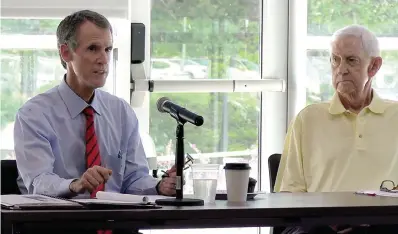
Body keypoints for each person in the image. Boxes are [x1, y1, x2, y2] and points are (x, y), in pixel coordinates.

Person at [14, 9, 176, 199]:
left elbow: (134, 179)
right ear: (66, 52)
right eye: (93, 48)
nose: (104, 60)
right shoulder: (34, 114)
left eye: (107, 49)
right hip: (59, 222)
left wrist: (159, 187)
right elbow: (38, 181)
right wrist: (75, 184)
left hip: (117, 223)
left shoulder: (121, 111)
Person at [275, 25, 398, 233]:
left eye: (351, 60)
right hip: (319, 226)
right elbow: (289, 193)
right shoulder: (308, 119)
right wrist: (323, 220)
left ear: (374, 66)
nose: (341, 69)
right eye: (335, 59)